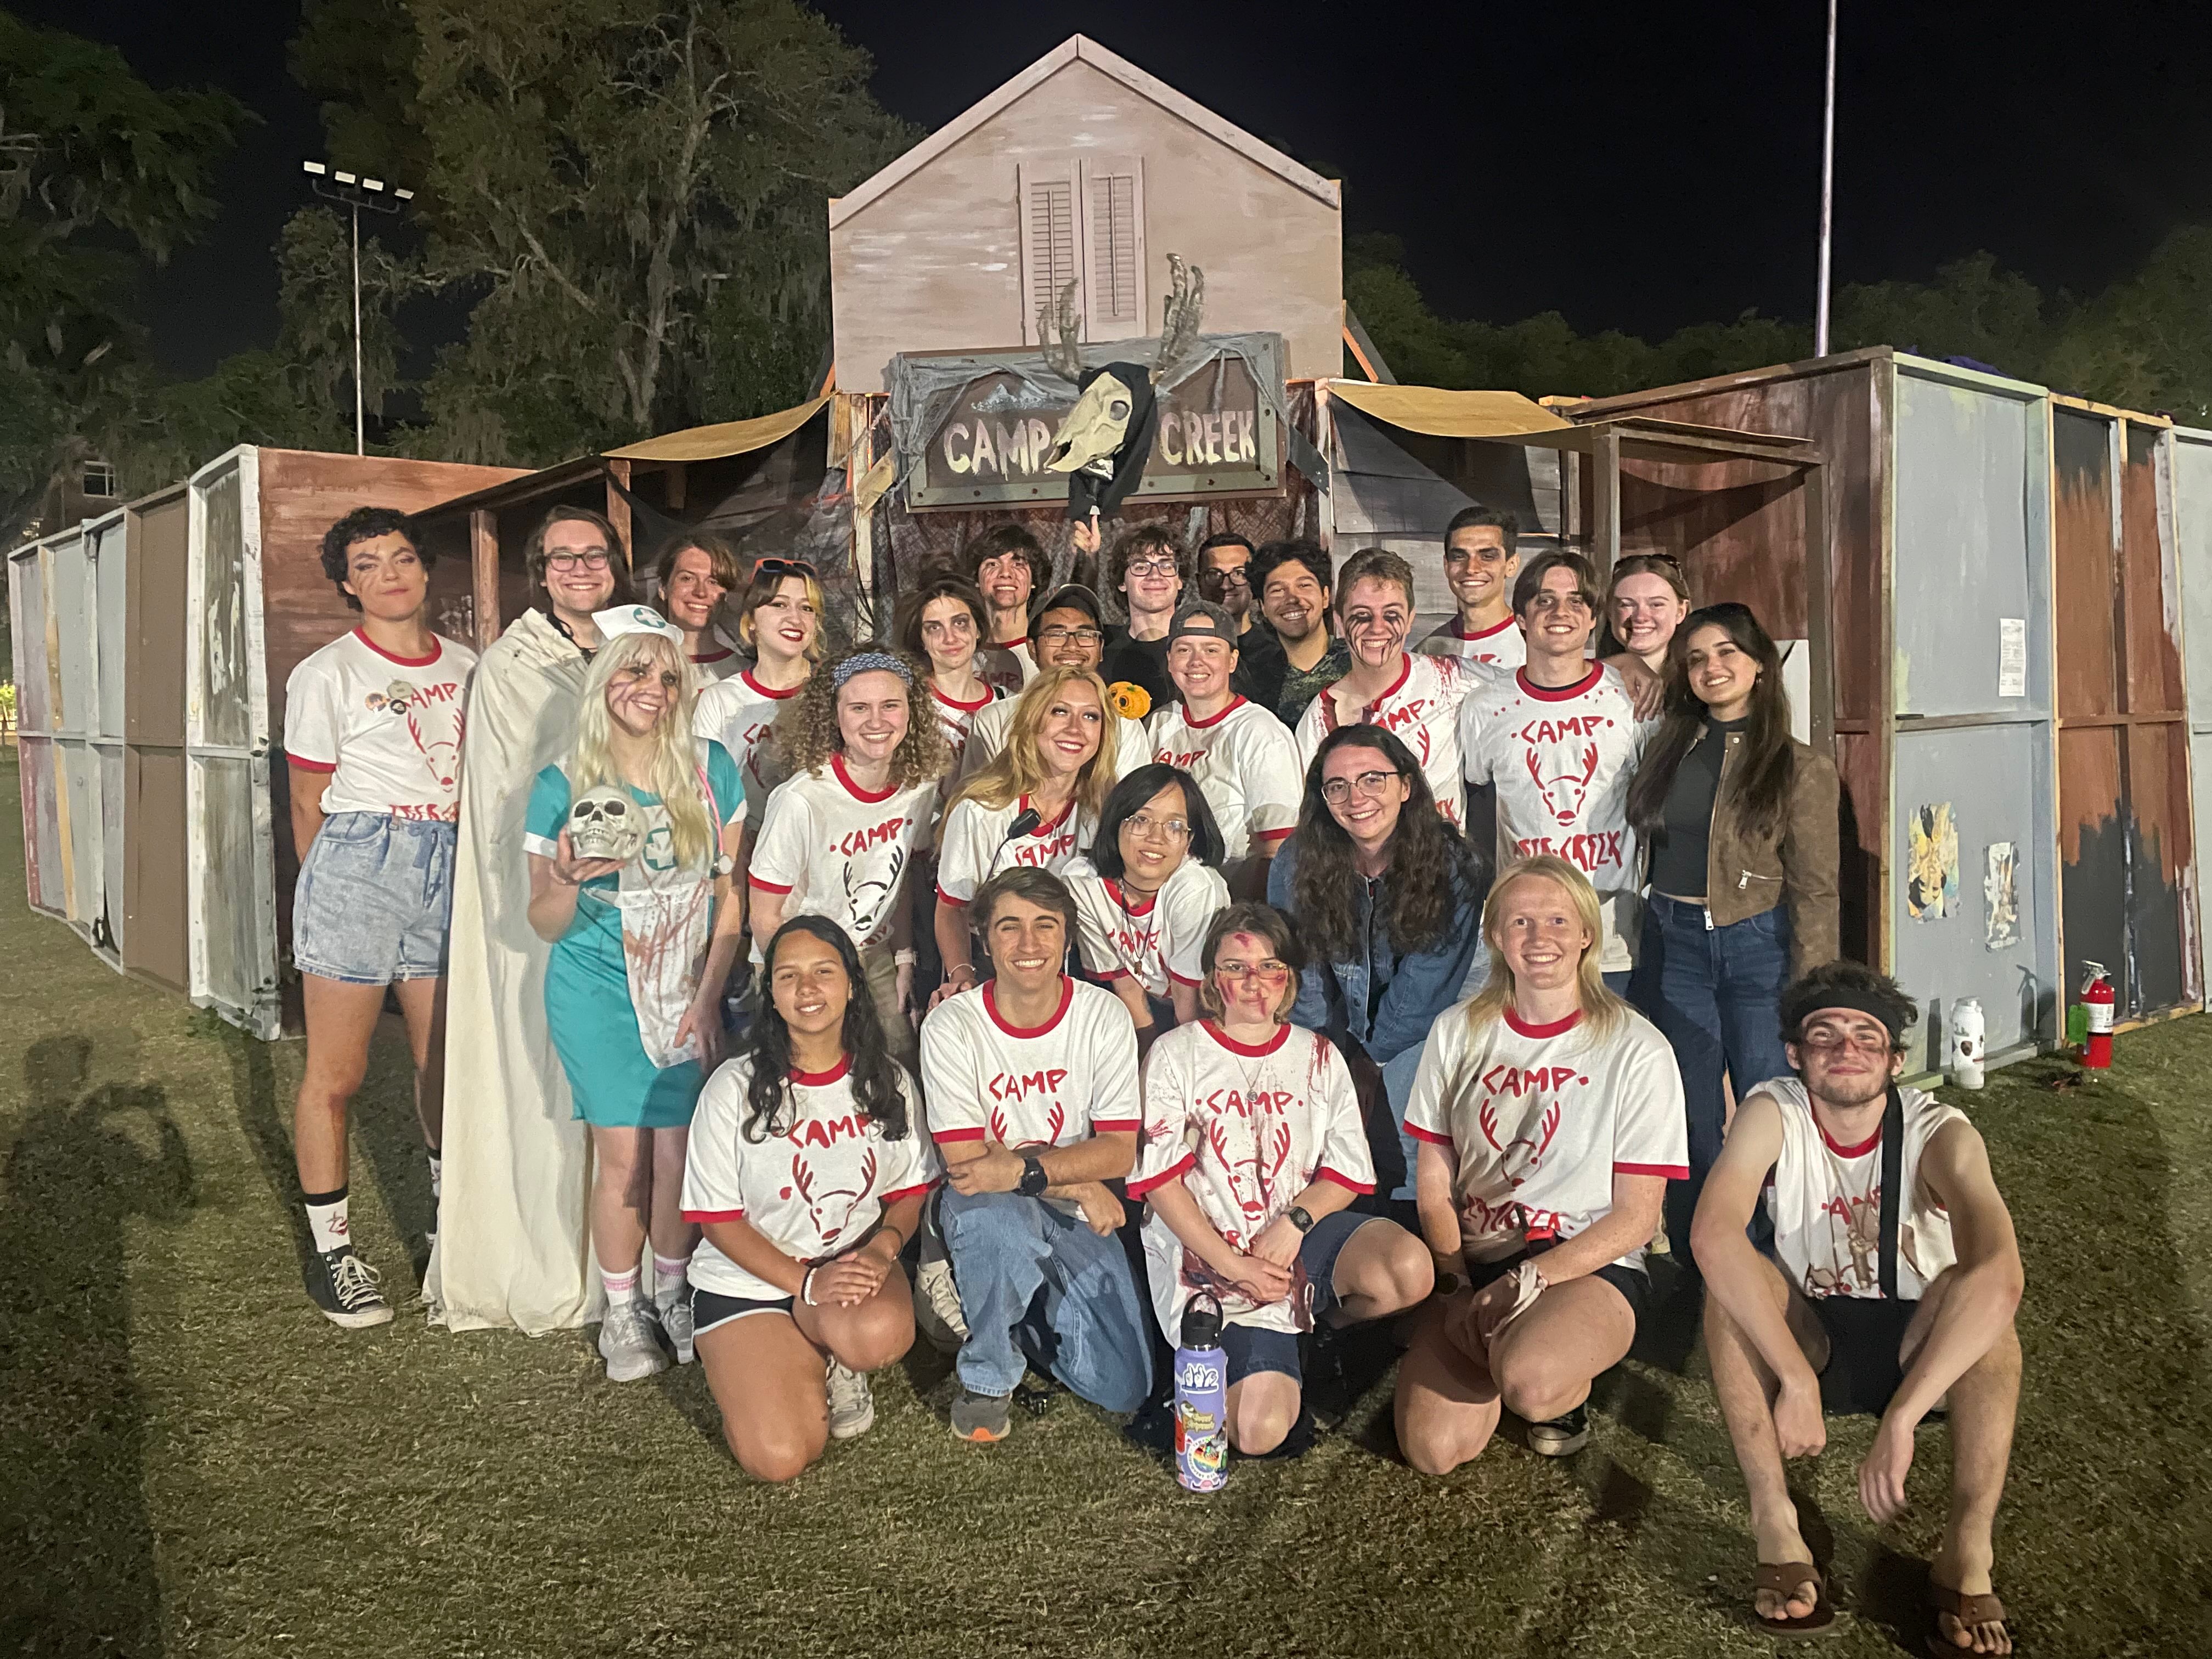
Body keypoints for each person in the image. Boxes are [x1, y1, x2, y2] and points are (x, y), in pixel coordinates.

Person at [1693, 963, 2022, 1652]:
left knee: (1985, 1310)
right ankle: (1774, 1520)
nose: (1846, 1049)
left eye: (1867, 1037)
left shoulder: (1942, 1132)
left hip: (1918, 1344)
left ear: (1896, 1061)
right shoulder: (1773, 1110)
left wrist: (1904, 1417)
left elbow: (2001, 1277)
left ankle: (1968, 1548)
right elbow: (1713, 1235)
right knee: (1728, 1288)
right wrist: (1795, 1378)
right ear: (1795, 1054)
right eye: (1825, 1035)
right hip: (1814, 1331)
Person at [1395, 856, 1686, 1474]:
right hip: (1480, 1255)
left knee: (1531, 1383)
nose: (1539, 937)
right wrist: (1455, 1287)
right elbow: (1434, 1182)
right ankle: (1507, 1344)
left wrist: (1528, 1282)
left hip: (1584, 1261)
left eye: (1557, 920)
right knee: (1433, 1451)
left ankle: (1556, 1373)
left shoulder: (1638, 1047)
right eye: (1520, 922)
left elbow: (1638, 1219)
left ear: (1587, 934)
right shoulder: (1457, 1031)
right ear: (1496, 936)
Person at [523, 608, 746, 1381]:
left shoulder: (710, 769)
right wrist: (564, 879)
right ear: (603, 678)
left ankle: (674, 1292)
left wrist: (709, 997)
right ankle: (623, 1311)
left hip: (687, 981)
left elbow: (729, 899)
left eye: (667, 676)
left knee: (678, 1152)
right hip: (598, 987)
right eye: (635, 669)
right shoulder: (561, 784)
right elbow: (545, 922)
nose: (652, 688)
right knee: (622, 1158)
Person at [432, 505, 635, 1335]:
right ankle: (558, 1254)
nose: (581, 568)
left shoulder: (633, 644)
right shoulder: (514, 664)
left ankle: (630, 1260)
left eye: (595, 554)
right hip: (552, 888)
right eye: (563, 557)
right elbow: (511, 790)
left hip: (636, 899)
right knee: (547, 1068)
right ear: (540, 572)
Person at [1127, 904, 1432, 1454]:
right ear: (1212, 978)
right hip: (1209, 1255)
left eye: (1270, 966)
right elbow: (1160, 1185)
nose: (1254, 981)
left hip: (1296, 1239)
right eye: (1236, 967)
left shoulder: (1318, 1056)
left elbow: (1345, 1173)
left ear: (1289, 977)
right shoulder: (1176, 1054)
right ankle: (1239, 1353)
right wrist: (1235, 1266)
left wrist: (1295, 1223)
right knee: (1257, 1432)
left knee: (1407, 1270)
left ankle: (1317, 1331)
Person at [285, 506, 477, 1327]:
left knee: (443, 1066)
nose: (389, 575)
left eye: (401, 558)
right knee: (338, 1073)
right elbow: (306, 802)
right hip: (360, 863)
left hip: (449, 862)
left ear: (425, 569)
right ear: (346, 584)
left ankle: (446, 1232)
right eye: (367, 564)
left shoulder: (469, 665)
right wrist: (336, 896)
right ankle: (335, 1255)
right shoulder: (326, 673)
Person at [681, 915, 941, 1480]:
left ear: (851, 985)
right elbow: (718, 1221)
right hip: (747, 1284)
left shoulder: (889, 1081)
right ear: (771, 995)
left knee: (874, 1336)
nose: (806, 989)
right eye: (788, 976)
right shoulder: (732, 1089)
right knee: (779, 1458)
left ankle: (837, 1352)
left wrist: (882, 1250)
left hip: (845, 1270)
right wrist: (806, 1284)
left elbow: (911, 1189)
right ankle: (788, 1351)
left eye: (824, 972)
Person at [1626, 602, 1839, 1250]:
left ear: (1760, 665)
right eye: (1696, 658)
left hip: (1757, 946)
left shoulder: (1799, 767)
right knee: (1688, 1112)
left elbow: (1817, 889)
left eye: (1727, 653)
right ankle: (1705, 1254)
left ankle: (1781, 1250)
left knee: (1766, 1107)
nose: (1711, 668)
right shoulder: (1668, 747)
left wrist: (1814, 992)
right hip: (1675, 944)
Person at [920, 867, 1152, 1442]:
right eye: (1010, 927)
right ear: (984, 939)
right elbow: (971, 1165)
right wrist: (1076, 1181)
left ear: (1068, 938)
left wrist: (1027, 1170)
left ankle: (1005, 1312)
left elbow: (1118, 1152)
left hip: (1060, 1205)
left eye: (1045, 926)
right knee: (1000, 1229)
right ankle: (988, 1377)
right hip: (986, 1202)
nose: (1029, 944)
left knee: (1122, 1385)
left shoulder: (1102, 1015)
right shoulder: (953, 1025)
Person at [1272, 725, 1485, 1203]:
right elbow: (1302, 970)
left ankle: (1419, 1223)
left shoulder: (1452, 864)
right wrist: (1325, 1056)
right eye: (1338, 786)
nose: (1356, 799)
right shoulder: (1297, 860)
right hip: (1340, 1020)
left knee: (1405, 1097)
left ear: (1405, 786)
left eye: (1372, 779)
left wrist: (1369, 1062)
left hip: (1431, 1021)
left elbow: (1426, 986)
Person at [1457, 551, 1655, 992]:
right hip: (1525, 935)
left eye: (1576, 601)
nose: (1560, 612)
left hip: (1611, 933)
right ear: (1521, 618)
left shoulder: (1631, 699)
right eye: (1545, 601)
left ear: (1593, 619)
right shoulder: (1485, 707)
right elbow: (1479, 811)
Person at [747, 648, 949, 1072]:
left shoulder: (919, 786)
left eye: (890, 705)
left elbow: (899, 876)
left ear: (912, 712)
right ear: (833, 715)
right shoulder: (801, 799)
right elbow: (765, 916)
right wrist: (791, 983)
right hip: (803, 962)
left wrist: (904, 958)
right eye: (859, 708)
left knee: (900, 1067)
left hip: (874, 953)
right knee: (815, 1075)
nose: (876, 721)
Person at [932, 666, 1119, 997]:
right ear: (1032, 721)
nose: (1075, 728)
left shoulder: (1104, 807)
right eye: (1060, 712)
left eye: (1090, 717)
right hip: (995, 964)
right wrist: (963, 977)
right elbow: (951, 908)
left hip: (1077, 966)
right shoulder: (982, 810)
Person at [1294, 549, 1470, 828]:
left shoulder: (1453, 680)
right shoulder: (1319, 720)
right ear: (1339, 622)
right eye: (1362, 615)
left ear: (1410, 619)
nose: (1377, 628)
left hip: (1440, 852)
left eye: (1391, 614)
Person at [1146, 600, 1302, 898]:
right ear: (1169, 660)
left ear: (1232, 660)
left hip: (1229, 898)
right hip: (1160, 898)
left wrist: (1242, 912)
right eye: (1184, 650)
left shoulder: (1259, 731)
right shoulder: (1159, 723)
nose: (1196, 661)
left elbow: (1277, 846)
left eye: (1211, 650)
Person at [1064, 764, 1230, 1043]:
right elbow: (1125, 985)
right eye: (1141, 820)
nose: (1156, 838)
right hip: (1150, 1006)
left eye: (1175, 826)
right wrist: (1146, 1051)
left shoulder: (1195, 888)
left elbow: (1189, 1002)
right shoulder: (1083, 883)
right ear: (1116, 823)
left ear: (1189, 841)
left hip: (1210, 1012)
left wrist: (1175, 1059)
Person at [958, 583, 1149, 782]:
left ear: (1100, 649)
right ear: (1032, 649)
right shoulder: (995, 719)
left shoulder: (1124, 725)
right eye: (1057, 635)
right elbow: (977, 796)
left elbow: (1133, 799)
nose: (1072, 646)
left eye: (1085, 635)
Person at [899, 573, 1006, 772]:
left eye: (960, 623)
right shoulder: (907, 704)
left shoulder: (1006, 704)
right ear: (922, 640)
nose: (950, 638)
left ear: (978, 629)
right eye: (934, 628)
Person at [1418, 506, 1524, 684]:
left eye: (1487, 556)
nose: (1471, 568)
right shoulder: (1428, 652)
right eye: (1459, 557)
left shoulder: (1535, 643)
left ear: (1511, 565)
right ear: (1446, 566)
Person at [1250, 539, 1348, 727]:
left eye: (1304, 586)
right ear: (1263, 606)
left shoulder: (1356, 663)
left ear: (1325, 596)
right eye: (1278, 590)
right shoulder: (1254, 678)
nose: (1292, 598)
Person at [1096, 522, 1189, 718]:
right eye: (1141, 567)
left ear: (1180, 580)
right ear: (1122, 582)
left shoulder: (1199, 651)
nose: (1155, 575)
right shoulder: (1101, 652)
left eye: (1166, 566)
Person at [1195, 530, 1283, 698]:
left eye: (1239, 573)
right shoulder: (1186, 650)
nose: (1226, 585)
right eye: (1214, 574)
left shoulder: (1278, 651)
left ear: (1254, 581)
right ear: (1200, 583)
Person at [962, 523, 1049, 690]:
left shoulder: (1047, 651)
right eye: (993, 564)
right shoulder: (960, 650)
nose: (1005, 573)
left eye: (1018, 564)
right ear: (976, 579)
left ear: (1034, 581)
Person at [652, 530, 741, 681]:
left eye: (713, 582)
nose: (701, 592)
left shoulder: (746, 674)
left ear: (726, 594)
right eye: (687, 579)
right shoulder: (635, 666)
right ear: (663, 588)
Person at [1601, 552, 1692, 676]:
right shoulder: (1590, 683)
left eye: (1656, 605)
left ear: (1681, 612)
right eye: (1627, 605)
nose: (1640, 617)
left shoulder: (1701, 681)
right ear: (1610, 612)